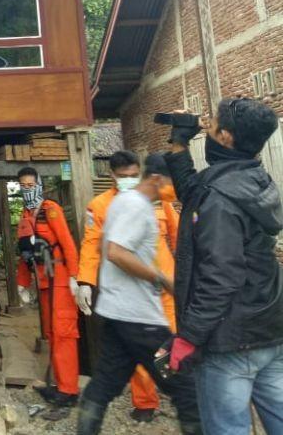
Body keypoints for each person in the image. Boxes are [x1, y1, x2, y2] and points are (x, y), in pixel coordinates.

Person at [163, 98, 283, 435]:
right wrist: (179, 143)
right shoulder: (253, 178)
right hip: (269, 329)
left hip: (231, 340)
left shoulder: (218, 197)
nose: (208, 128)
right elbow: (195, 191)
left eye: (212, 125)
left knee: (227, 428)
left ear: (226, 137)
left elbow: (221, 276)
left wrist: (189, 337)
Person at [77, 154, 202, 434]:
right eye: (173, 181)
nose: (176, 188)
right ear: (157, 179)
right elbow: (116, 252)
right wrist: (160, 278)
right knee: (185, 384)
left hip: (116, 314)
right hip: (140, 320)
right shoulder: (136, 206)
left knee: (104, 386)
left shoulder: (124, 203)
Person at [15, 166, 81, 409]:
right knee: (52, 334)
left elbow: (67, 243)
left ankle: (69, 390)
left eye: (30, 185)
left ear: (39, 185)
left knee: (64, 333)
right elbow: (24, 253)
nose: (27, 190)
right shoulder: (25, 214)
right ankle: (60, 384)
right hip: (43, 282)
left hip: (61, 280)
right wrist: (22, 283)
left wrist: (75, 276)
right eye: (23, 186)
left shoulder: (50, 210)